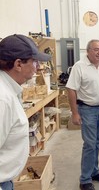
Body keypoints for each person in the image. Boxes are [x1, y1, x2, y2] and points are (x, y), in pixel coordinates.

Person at [0, 34, 51, 190]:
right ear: (18, 64)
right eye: (34, 61)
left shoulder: (10, 89)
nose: (37, 66)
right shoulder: (3, 99)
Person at [66, 39, 99, 190]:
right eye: (96, 49)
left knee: (97, 142)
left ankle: (94, 171)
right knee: (90, 145)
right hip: (87, 109)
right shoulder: (79, 66)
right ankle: (85, 179)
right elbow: (71, 89)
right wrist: (75, 113)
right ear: (88, 51)